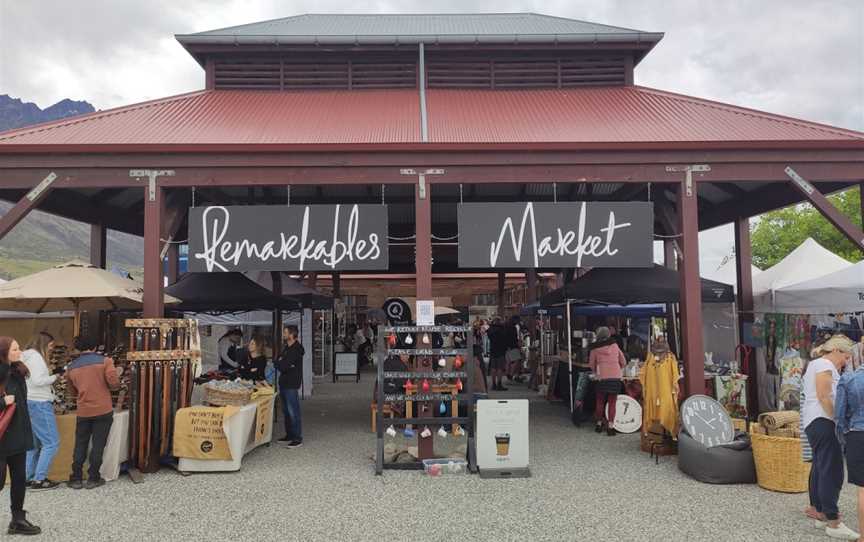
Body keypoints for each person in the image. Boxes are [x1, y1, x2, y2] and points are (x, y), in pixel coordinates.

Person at [801, 334, 858, 540]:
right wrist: (839, 421)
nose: (846, 361)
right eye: (846, 356)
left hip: (814, 421)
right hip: (823, 420)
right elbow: (824, 395)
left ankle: (819, 511)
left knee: (820, 466)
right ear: (836, 351)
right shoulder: (824, 364)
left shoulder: (817, 363)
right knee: (831, 469)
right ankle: (833, 521)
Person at [66, 335, 122, 490]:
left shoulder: (71, 366)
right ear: (95, 347)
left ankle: (76, 477)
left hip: (83, 410)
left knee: (80, 444)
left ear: (79, 348)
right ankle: (93, 477)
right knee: (98, 444)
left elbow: (71, 390)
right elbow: (114, 383)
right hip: (103, 409)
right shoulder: (105, 361)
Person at [0, 337, 41, 535]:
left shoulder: (17, 371)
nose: (20, 352)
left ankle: (18, 519)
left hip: (18, 435)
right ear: (3, 352)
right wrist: (2, 402)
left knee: (18, 479)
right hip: (1, 438)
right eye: (15, 349)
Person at [22, 332, 60, 491]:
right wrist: (55, 377)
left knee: (34, 445)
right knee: (52, 443)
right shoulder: (37, 358)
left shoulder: (25, 356)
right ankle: (39, 479)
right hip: (40, 403)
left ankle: (27, 478)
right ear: (44, 343)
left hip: (30, 401)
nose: (51, 349)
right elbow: (38, 381)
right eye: (51, 345)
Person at [835, 350, 864, 542]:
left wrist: (844, 435)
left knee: (863, 489)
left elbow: (839, 414)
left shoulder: (849, 378)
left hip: (857, 435)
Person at [589, 327, 626, 436]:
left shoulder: (595, 348)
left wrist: (596, 371)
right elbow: (623, 361)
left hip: (602, 378)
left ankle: (599, 424)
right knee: (612, 402)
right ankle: (610, 427)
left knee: (600, 401)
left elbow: (591, 364)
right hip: (615, 378)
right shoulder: (615, 345)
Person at [275, 326, 304, 448]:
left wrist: (282, 363)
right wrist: (281, 362)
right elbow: (278, 361)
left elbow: (283, 365)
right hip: (284, 382)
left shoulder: (296, 349)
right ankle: (290, 434)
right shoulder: (287, 348)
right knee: (286, 411)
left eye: (285, 332)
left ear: (292, 335)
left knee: (293, 411)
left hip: (292, 383)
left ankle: (297, 438)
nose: (283, 334)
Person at [487, 317, 509, 391]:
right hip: (501, 350)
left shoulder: (490, 330)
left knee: (493, 368)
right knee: (500, 368)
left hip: (493, 349)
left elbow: (489, 336)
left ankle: (493, 384)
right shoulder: (502, 329)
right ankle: (499, 383)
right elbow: (505, 339)